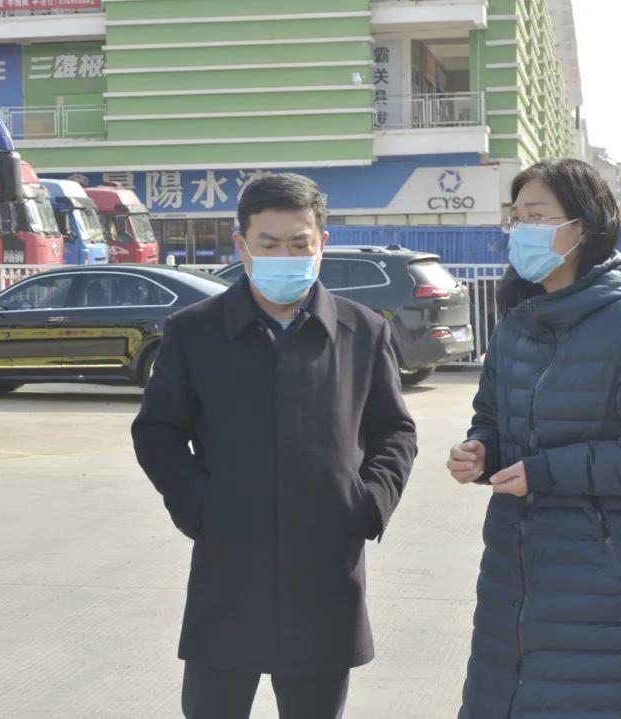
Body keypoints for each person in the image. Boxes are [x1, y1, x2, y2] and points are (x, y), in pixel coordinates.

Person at [132, 173, 417, 719]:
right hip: (229, 564)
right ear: (241, 245)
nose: (285, 256)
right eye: (269, 243)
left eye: (299, 244)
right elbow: (157, 431)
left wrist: (369, 502)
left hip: (324, 565)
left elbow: (394, 430)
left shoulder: (362, 332)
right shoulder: (195, 332)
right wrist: (197, 506)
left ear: (322, 243)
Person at [449, 159, 621, 718]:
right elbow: (492, 415)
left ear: (582, 226)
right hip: (513, 575)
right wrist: (481, 450)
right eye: (515, 218)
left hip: (602, 581)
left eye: (536, 216)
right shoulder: (515, 322)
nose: (521, 230)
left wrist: (543, 473)